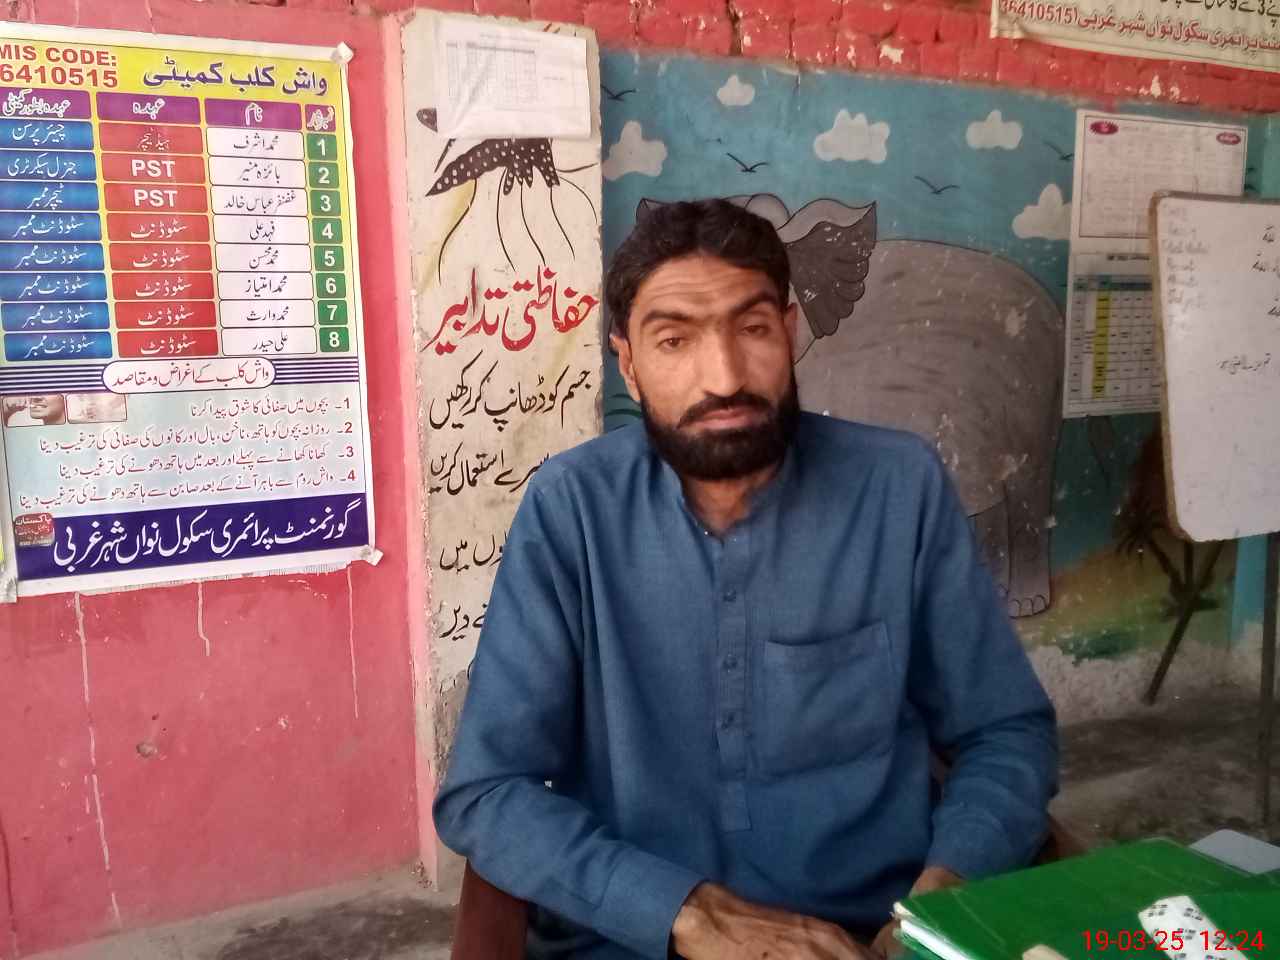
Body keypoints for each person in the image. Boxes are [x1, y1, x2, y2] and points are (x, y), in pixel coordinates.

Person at [433, 199, 1059, 960]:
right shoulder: (573, 511)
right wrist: (685, 913)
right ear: (628, 362)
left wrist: (941, 901)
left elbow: (1004, 730)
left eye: (753, 328)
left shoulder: (899, 488)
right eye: (675, 340)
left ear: (789, 332)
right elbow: (488, 792)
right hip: (636, 940)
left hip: (872, 933)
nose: (724, 377)